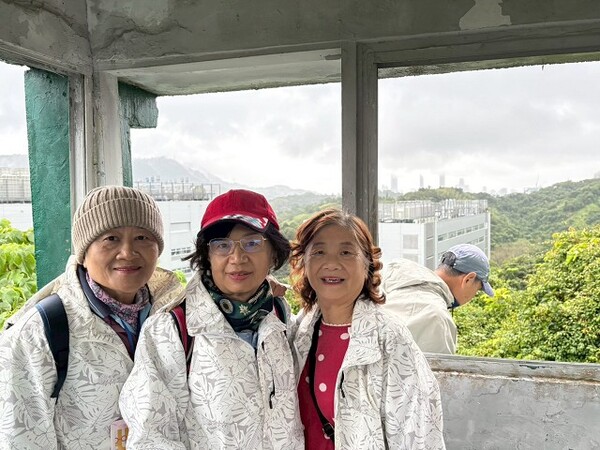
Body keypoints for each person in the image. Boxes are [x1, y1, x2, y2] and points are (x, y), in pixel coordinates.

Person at [0, 185, 184, 449]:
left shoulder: (173, 316)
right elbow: (19, 440)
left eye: (142, 237)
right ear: (84, 253)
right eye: (111, 238)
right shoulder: (38, 333)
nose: (128, 252)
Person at [119, 189, 304, 449]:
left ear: (273, 253)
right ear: (208, 256)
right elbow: (150, 437)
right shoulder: (171, 330)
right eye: (222, 245)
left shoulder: (280, 316)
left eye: (252, 243)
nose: (237, 258)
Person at [290, 208, 445, 450]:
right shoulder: (301, 329)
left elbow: (419, 435)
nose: (332, 263)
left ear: (367, 265)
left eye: (346, 252)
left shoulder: (389, 338)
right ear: (304, 263)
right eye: (319, 252)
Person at [381, 243, 494, 354]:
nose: (473, 296)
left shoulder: (389, 276)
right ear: (468, 279)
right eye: (477, 289)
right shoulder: (437, 318)